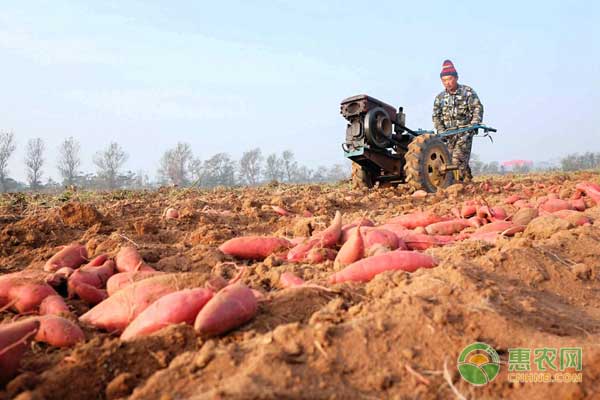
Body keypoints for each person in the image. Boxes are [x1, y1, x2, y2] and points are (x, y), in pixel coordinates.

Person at [432, 59, 483, 182]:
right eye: (444, 80)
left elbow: (477, 108)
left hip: (464, 133)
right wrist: (441, 131)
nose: (447, 83)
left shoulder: (468, 92)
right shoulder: (440, 98)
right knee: (449, 159)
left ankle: (455, 185)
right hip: (448, 135)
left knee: (457, 159)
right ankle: (467, 180)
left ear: (456, 78)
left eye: (450, 79)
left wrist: (473, 125)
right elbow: (436, 116)